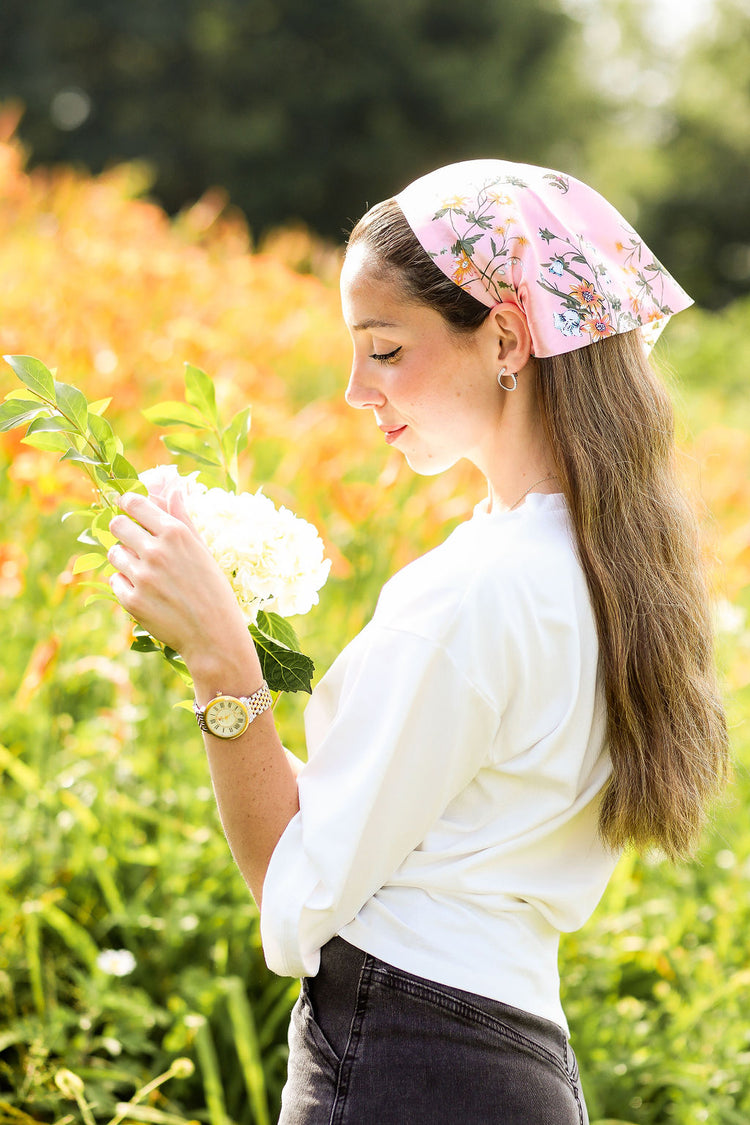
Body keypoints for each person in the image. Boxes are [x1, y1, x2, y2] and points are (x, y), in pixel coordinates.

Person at [107, 159, 729, 1124]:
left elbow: (296, 890)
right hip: (515, 1060)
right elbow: (386, 829)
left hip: (409, 1055)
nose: (357, 389)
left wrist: (220, 656)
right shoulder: (603, 570)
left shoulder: (474, 591)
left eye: (386, 349)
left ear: (508, 339)